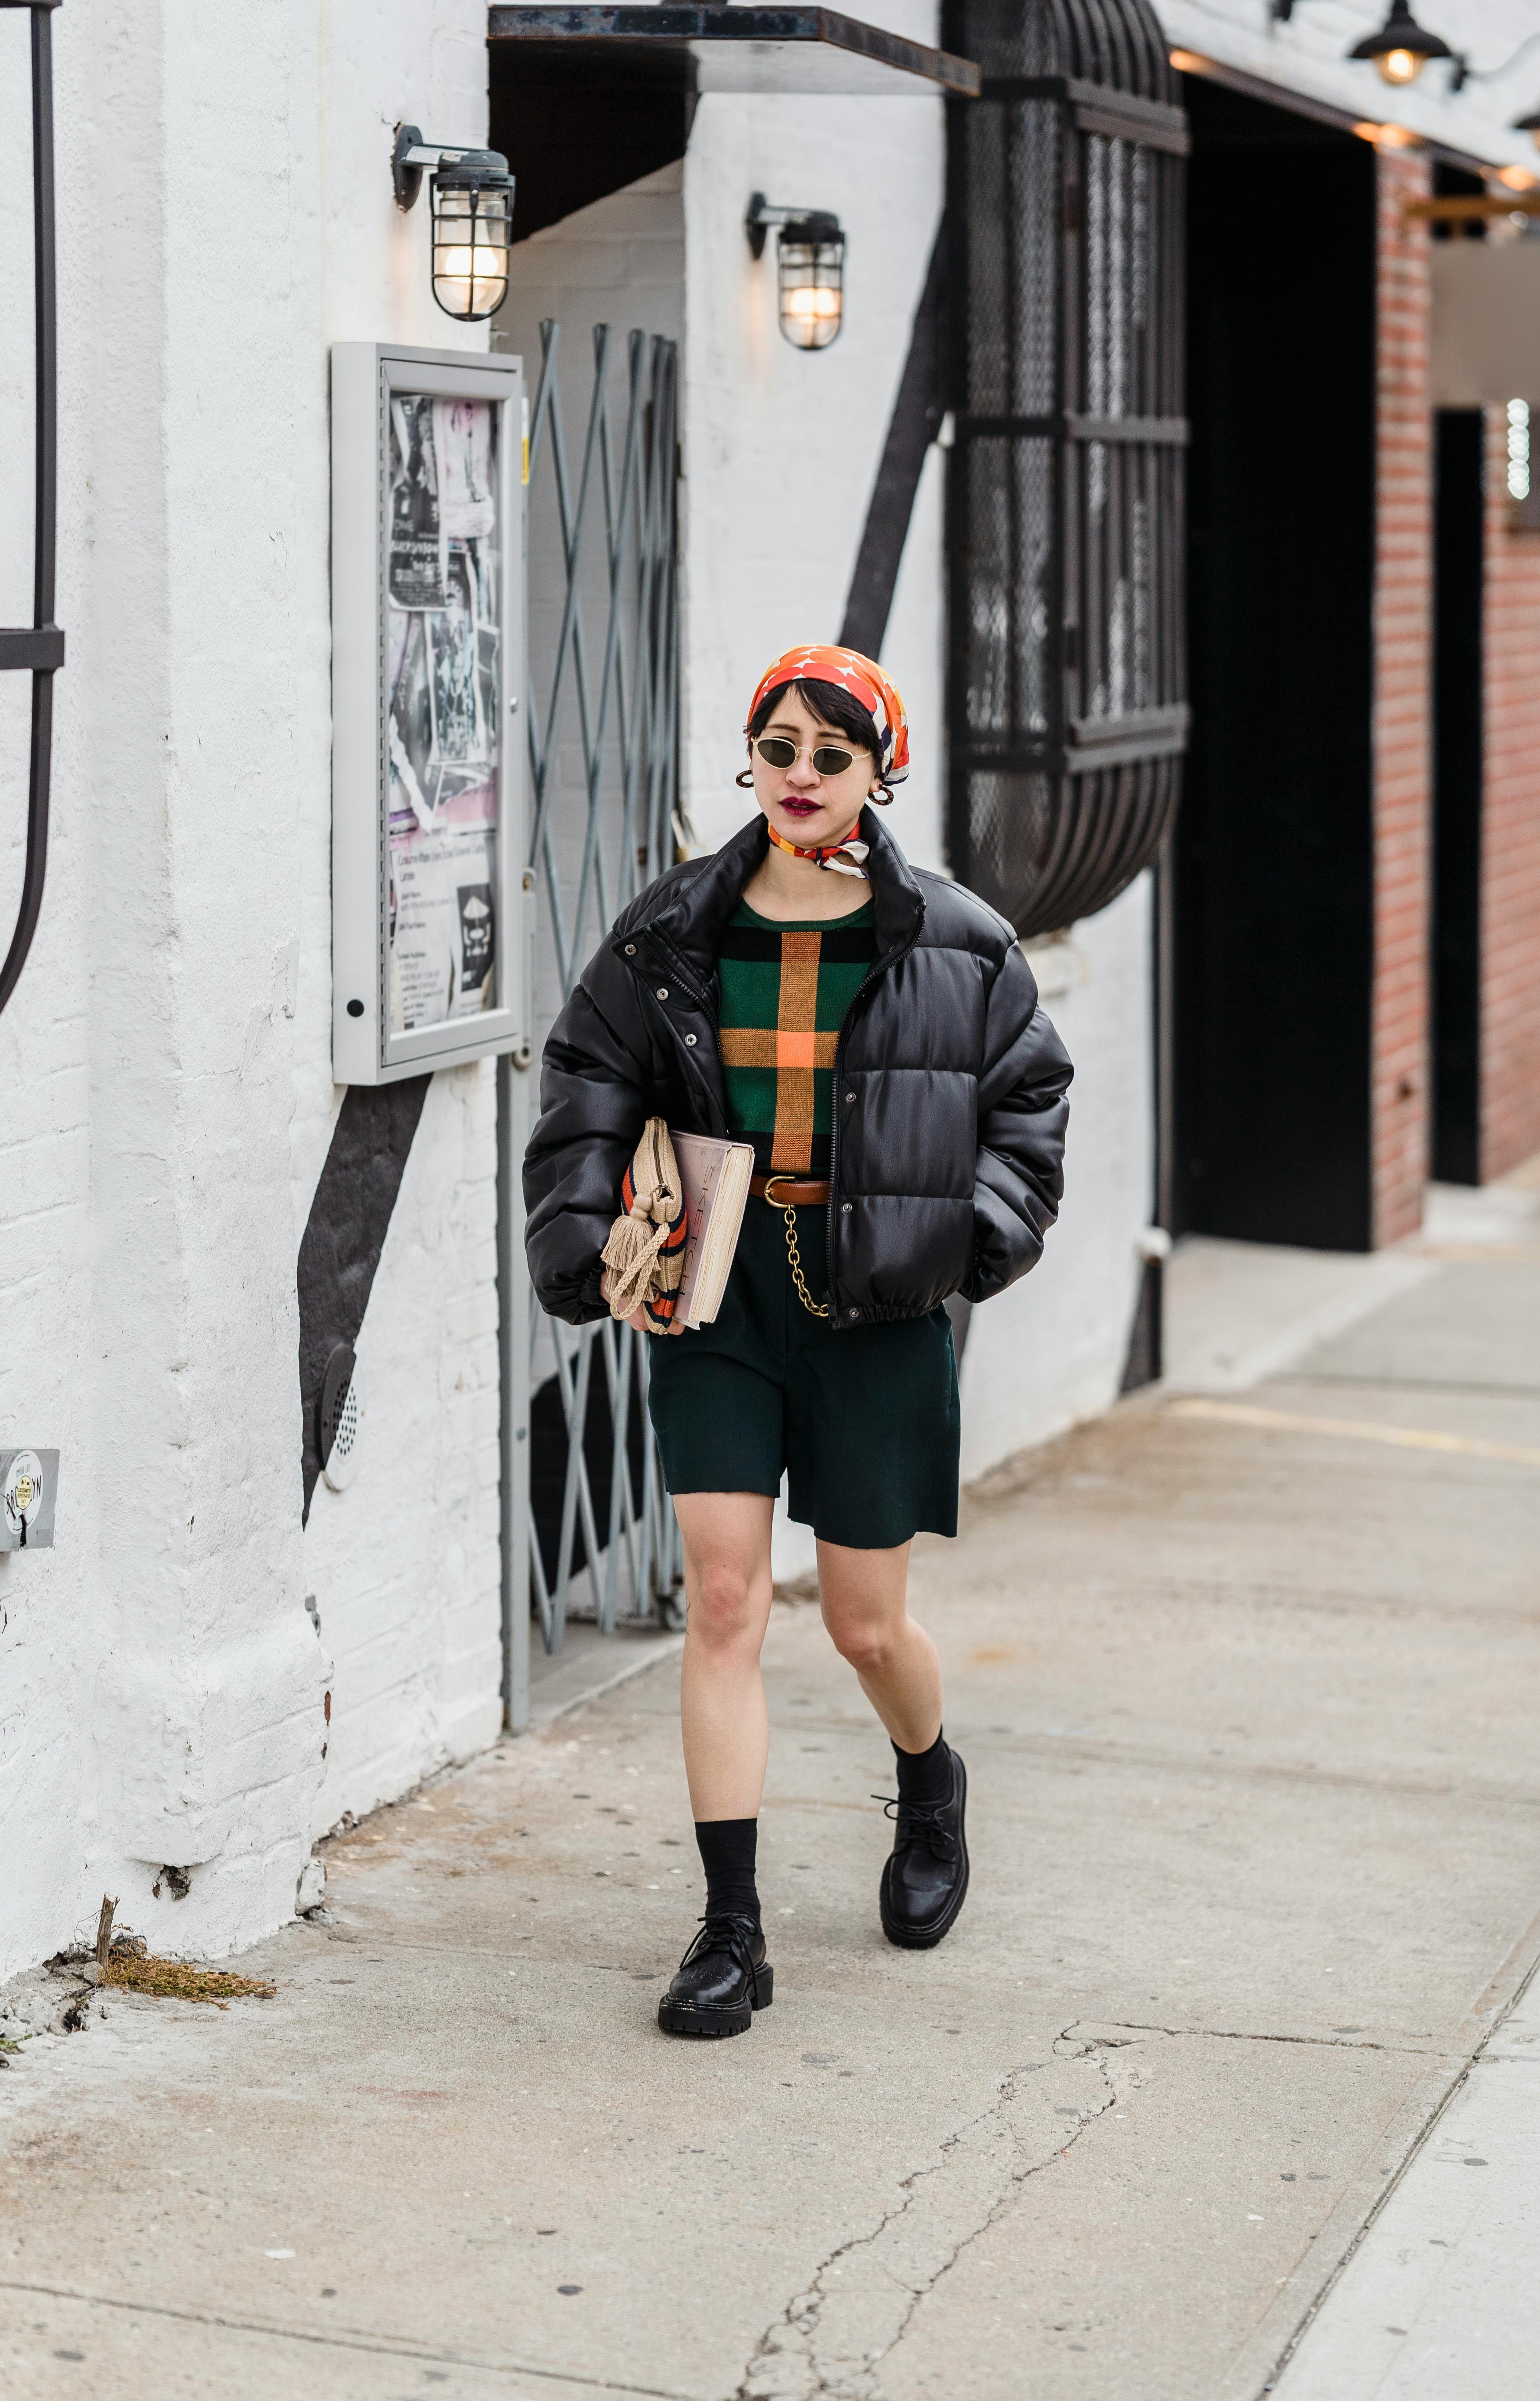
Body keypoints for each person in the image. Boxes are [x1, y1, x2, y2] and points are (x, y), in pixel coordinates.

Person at [523, 645, 1072, 2038]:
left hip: (878, 1301)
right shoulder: (674, 932)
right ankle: (729, 1930)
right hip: (720, 1286)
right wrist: (586, 1243)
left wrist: (965, 1244)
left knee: (864, 1623)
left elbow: (1029, 1106)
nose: (804, 777)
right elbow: (590, 1074)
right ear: (750, 760)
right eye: (779, 748)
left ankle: (931, 1782)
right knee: (722, 1599)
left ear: (881, 768)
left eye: (834, 754)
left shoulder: (958, 940)